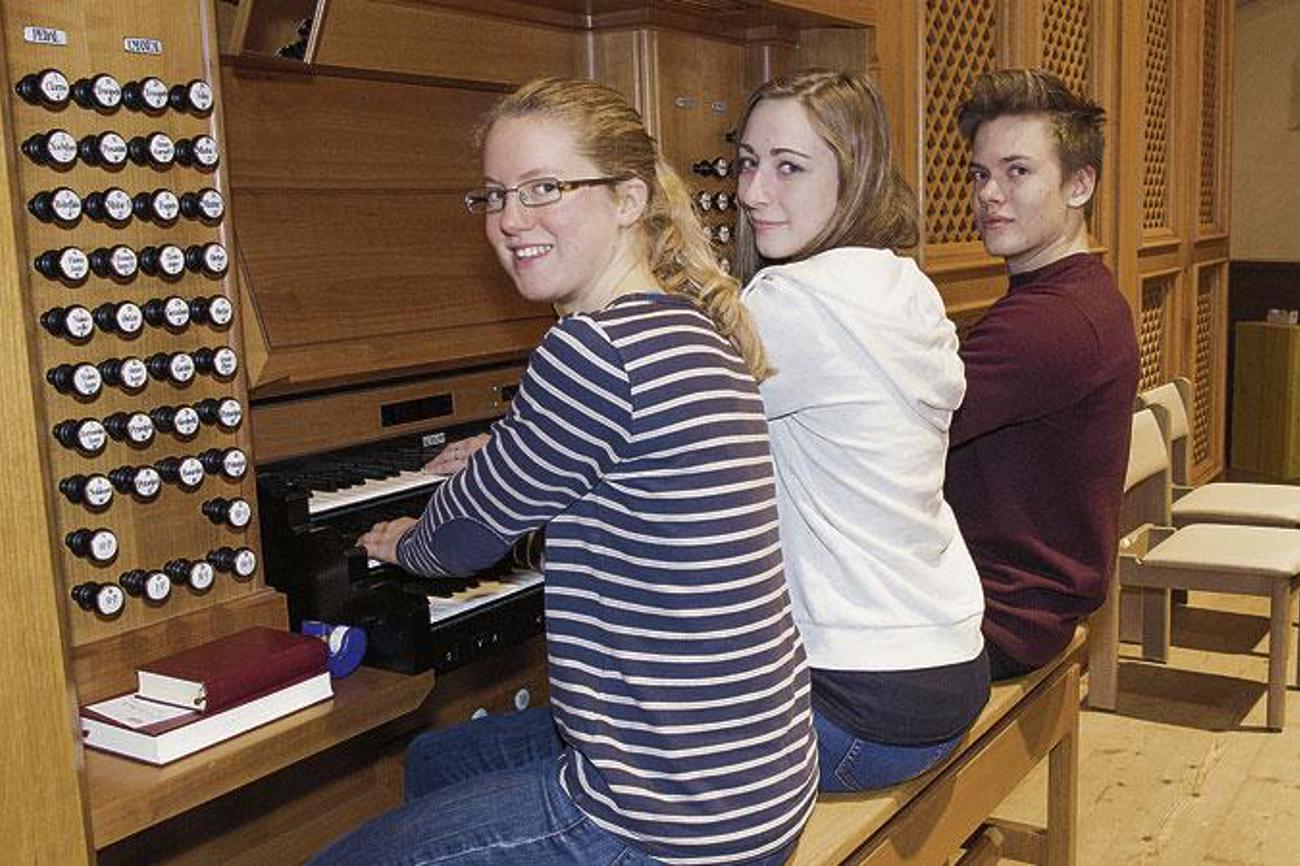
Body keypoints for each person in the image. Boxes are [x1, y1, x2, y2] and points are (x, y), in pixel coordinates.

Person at [309, 77, 818, 866]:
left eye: (546, 188)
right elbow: (604, 483)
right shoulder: (690, 325)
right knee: (435, 760)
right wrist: (507, 451)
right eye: (494, 195)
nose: (512, 220)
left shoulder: (591, 350)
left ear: (627, 199)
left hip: (672, 819)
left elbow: (460, 540)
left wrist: (399, 539)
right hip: (760, 776)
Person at [733, 69, 988, 793]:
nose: (753, 192)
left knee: (600, 743)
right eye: (748, 163)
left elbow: (635, 422)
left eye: (789, 167)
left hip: (857, 709)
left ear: (856, 177)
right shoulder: (903, 283)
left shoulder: (794, 304)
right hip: (944, 666)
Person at [945, 68, 1140, 680]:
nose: (989, 194)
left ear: (1080, 184)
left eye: (1017, 171)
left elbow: (899, 430)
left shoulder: (1053, 320)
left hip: (998, 619)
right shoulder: (1078, 292)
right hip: (1026, 606)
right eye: (981, 174)